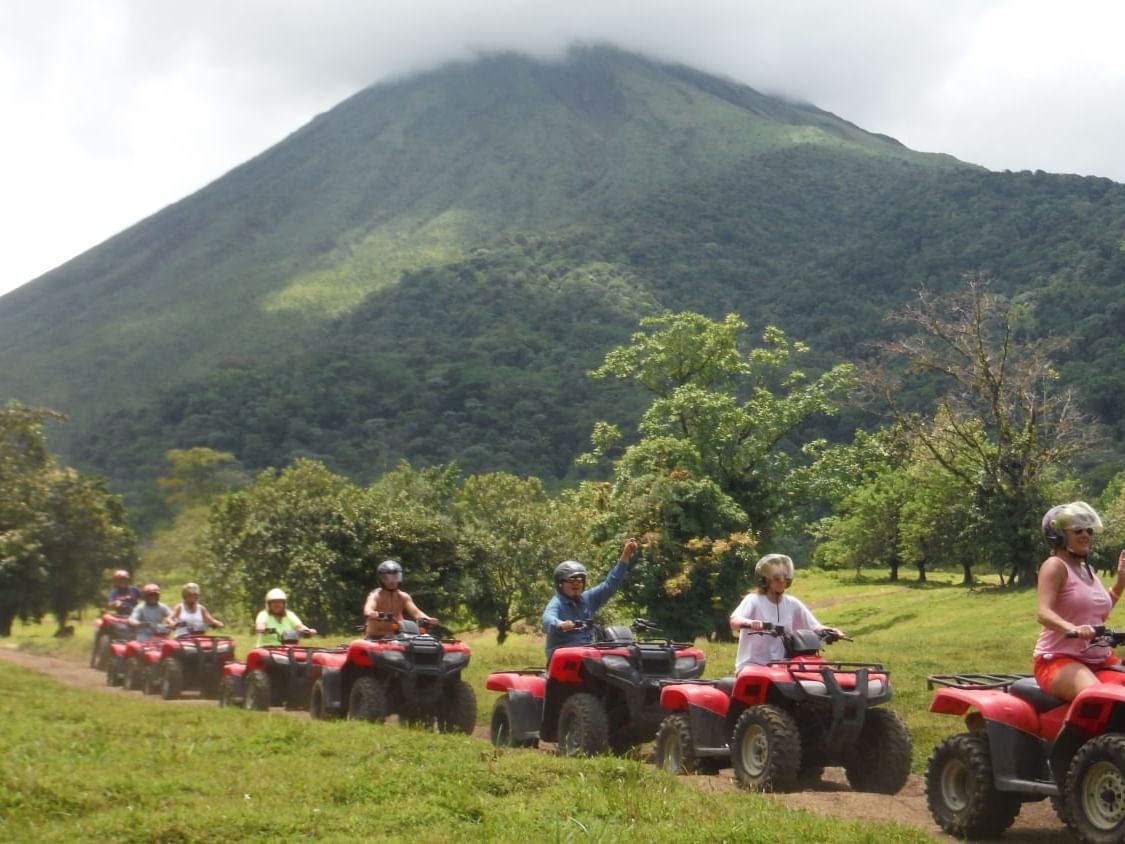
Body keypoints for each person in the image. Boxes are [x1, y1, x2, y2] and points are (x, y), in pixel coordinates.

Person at [1034, 501, 1125, 700]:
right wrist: (1072, 628)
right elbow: (1043, 612)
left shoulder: (1087, 570)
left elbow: (1096, 611)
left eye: (1089, 530)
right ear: (1058, 535)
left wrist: (1120, 582)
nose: (1085, 534)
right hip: (1058, 659)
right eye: (1077, 530)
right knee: (1099, 697)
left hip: (1100, 658)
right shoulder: (1054, 566)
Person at [729, 554, 844, 671]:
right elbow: (735, 621)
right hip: (753, 666)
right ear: (764, 579)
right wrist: (751, 623)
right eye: (777, 577)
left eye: (785, 577)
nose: (782, 581)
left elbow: (814, 627)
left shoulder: (792, 603)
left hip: (781, 666)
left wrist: (831, 631)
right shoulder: (753, 600)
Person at [541, 538, 638, 658]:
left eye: (580, 580)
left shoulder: (587, 599)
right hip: (565, 658)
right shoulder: (557, 603)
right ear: (560, 583)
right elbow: (547, 618)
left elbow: (610, 585)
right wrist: (560, 624)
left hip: (588, 655)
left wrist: (626, 555)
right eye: (571, 580)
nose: (576, 583)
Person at [363, 560, 436, 637]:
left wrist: (428, 619)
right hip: (375, 636)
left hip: (396, 636)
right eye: (388, 578)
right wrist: (374, 614)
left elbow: (416, 612)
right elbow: (368, 610)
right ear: (381, 579)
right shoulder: (375, 595)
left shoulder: (403, 596)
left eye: (396, 577)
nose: (393, 581)